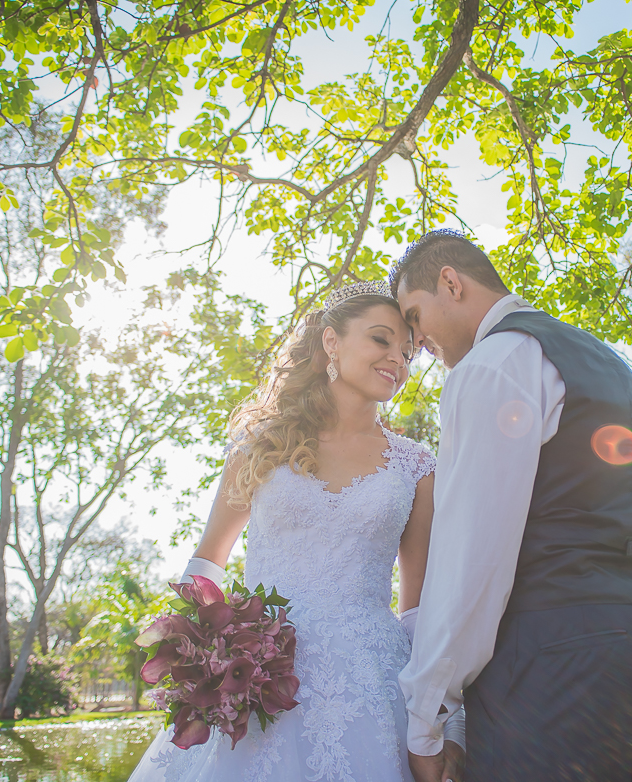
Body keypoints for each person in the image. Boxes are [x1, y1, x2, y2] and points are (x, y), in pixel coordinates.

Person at [394, 230, 632, 782]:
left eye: (414, 317)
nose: (415, 342)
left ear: (450, 283)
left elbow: (472, 559)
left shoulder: (491, 365)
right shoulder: (607, 363)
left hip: (551, 660)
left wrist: (428, 715)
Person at [128, 281, 463, 782]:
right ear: (331, 342)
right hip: (260, 679)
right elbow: (208, 561)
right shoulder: (261, 444)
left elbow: (418, 608)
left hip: (373, 682)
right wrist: (198, 658)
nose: (398, 358)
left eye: (408, 350)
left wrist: (442, 720)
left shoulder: (416, 466)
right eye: (380, 339)